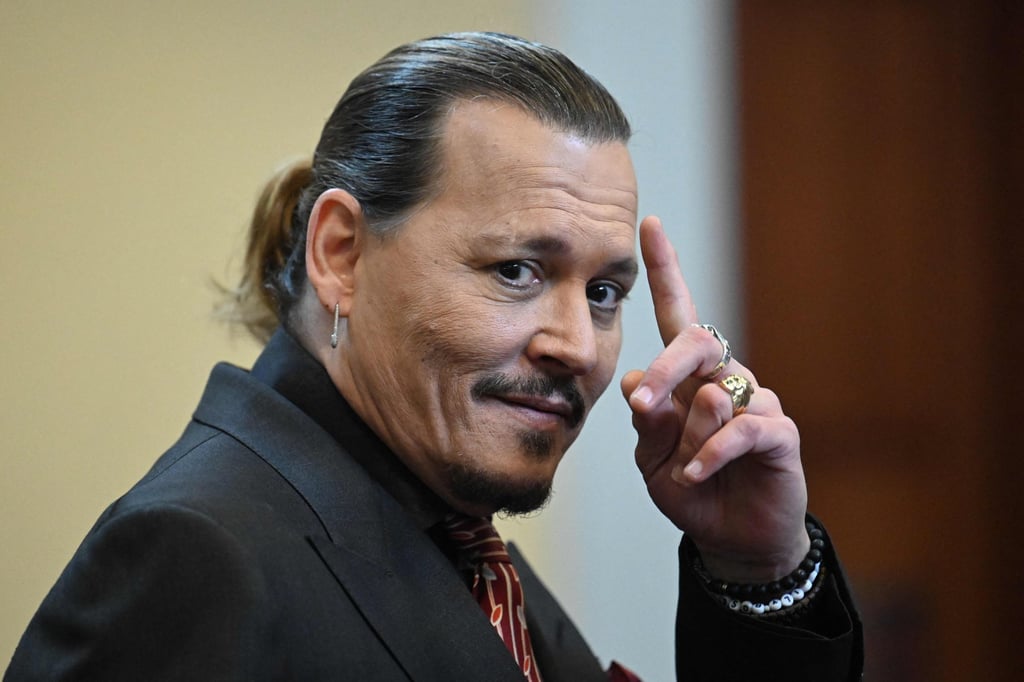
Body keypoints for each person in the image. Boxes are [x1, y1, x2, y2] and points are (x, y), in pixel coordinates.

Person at [5, 32, 862, 681]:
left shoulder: (445, 522)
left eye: (605, 292)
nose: (575, 345)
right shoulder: (194, 557)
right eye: (516, 270)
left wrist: (756, 572)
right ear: (340, 253)